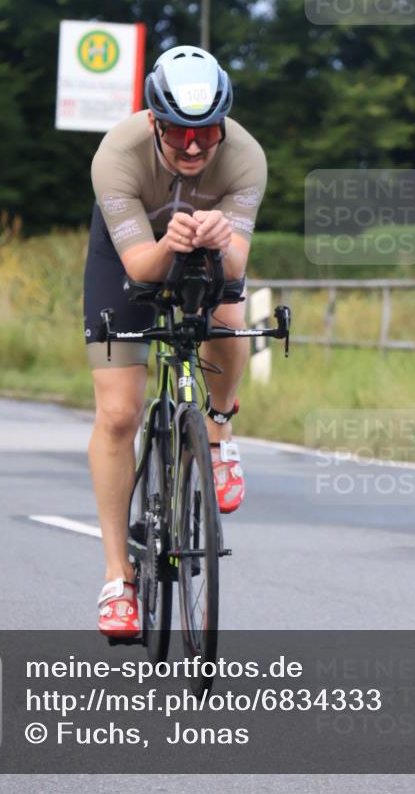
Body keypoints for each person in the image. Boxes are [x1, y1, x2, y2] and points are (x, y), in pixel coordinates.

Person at [83, 45, 267, 637]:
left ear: (223, 125)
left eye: (206, 133)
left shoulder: (246, 157)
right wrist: (170, 243)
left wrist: (218, 239)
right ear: (153, 120)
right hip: (130, 254)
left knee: (229, 314)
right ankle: (118, 579)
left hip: (207, 250)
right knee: (119, 414)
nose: (192, 147)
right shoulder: (116, 155)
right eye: (179, 133)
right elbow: (141, 266)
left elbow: (236, 266)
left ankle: (219, 430)